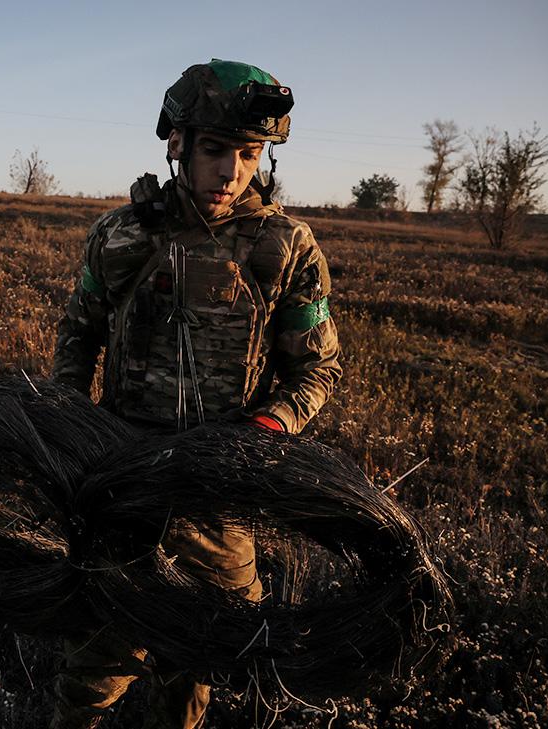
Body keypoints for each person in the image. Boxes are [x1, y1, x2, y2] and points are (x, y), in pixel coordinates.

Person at [49, 59, 342, 728]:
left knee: (201, 656)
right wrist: (73, 423)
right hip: (123, 481)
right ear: (177, 143)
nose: (232, 170)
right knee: (97, 656)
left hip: (218, 490)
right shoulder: (122, 235)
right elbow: (78, 333)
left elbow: (316, 370)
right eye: (216, 149)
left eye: (249, 152)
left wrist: (266, 430)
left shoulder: (287, 249)